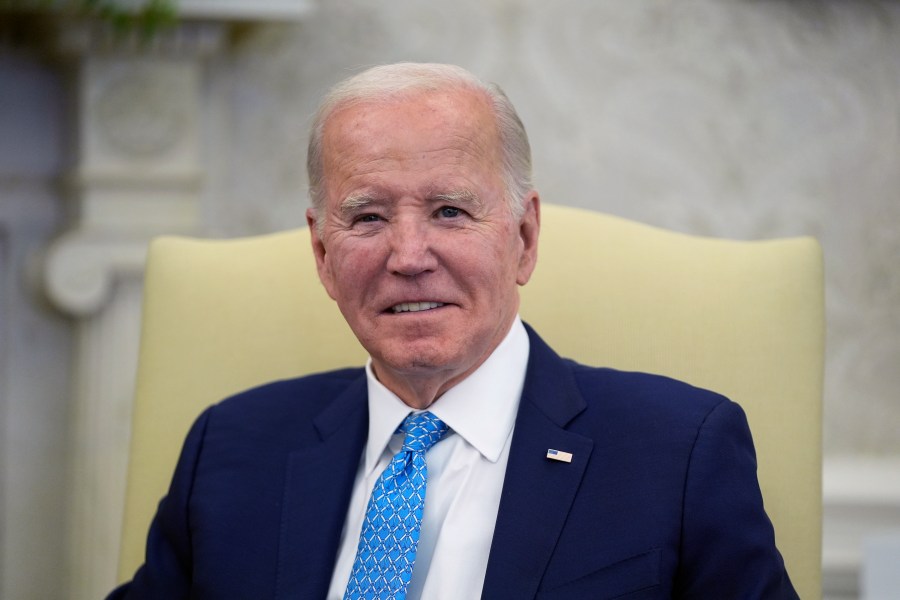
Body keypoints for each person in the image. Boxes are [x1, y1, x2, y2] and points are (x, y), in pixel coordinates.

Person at [109, 62, 798, 599]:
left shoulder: (678, 452)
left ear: (524, 238)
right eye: (369, 218)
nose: (408, 257)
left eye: (449, 211)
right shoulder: (228, 449)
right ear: (322, 254)